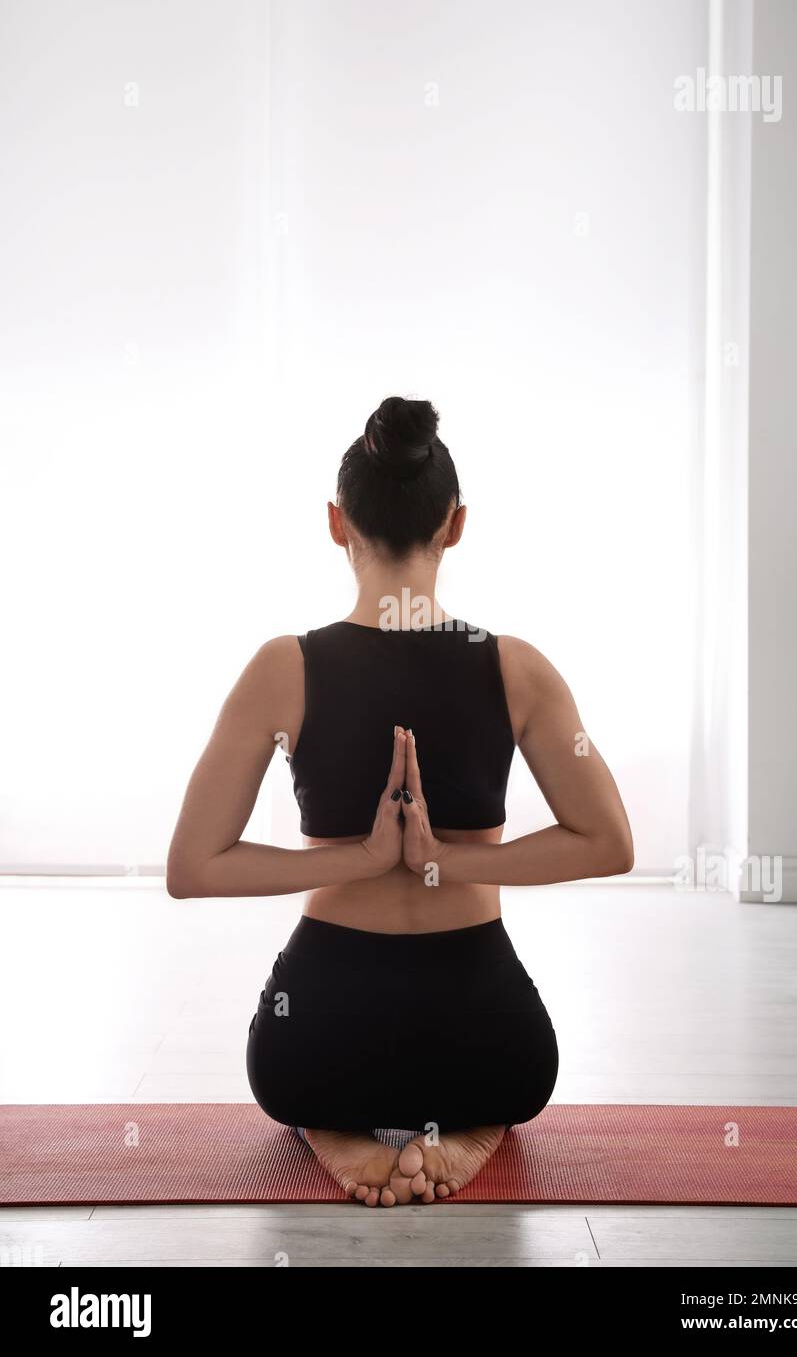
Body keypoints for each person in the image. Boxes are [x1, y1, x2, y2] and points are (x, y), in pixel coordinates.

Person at [167, 396, 633, 1206]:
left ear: (336, 522)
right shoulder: (517, 668)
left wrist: (360, 857)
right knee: (516, 1079)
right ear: (455, 525)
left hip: (315, 1048)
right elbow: (609, 843)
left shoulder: (283, 668)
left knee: (289, 1080)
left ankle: (335, 1129)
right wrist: (447, 860)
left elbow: (191, 866)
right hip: (490, 1050)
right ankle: (472, 1128)